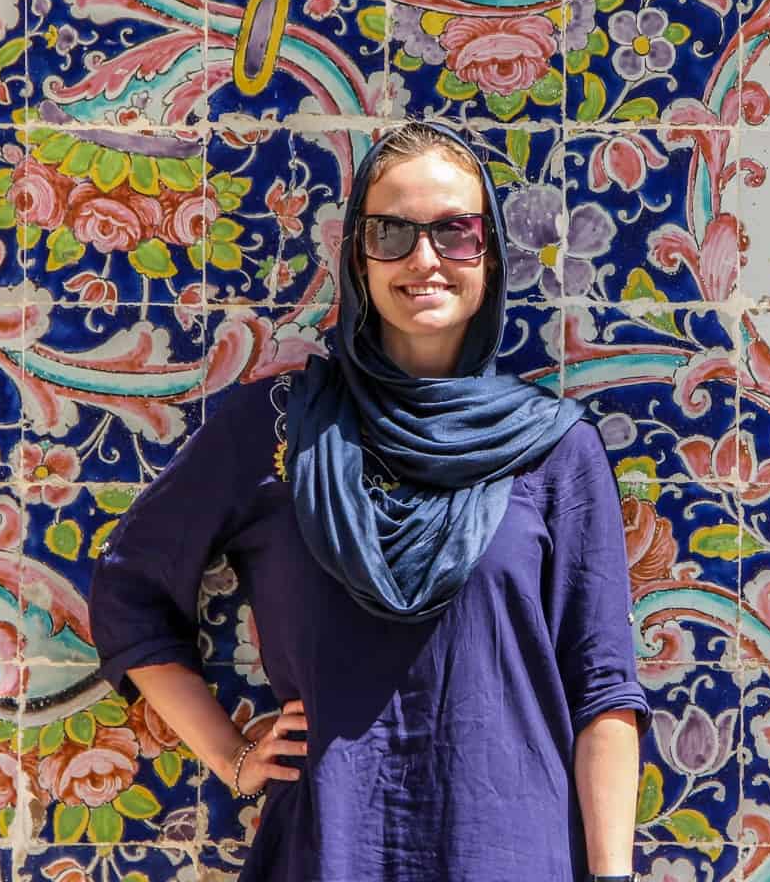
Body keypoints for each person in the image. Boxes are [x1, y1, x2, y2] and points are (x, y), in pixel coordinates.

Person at [88, 121, 650, 881]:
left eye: (456, 232)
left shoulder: (553, 447)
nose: (425, 260)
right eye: (392, 233)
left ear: (489, 255)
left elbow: (604, 693)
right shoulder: (280, 428)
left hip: (513, 850)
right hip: (332, 847)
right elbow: (132, 588)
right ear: (358, 253)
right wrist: (230, 753)